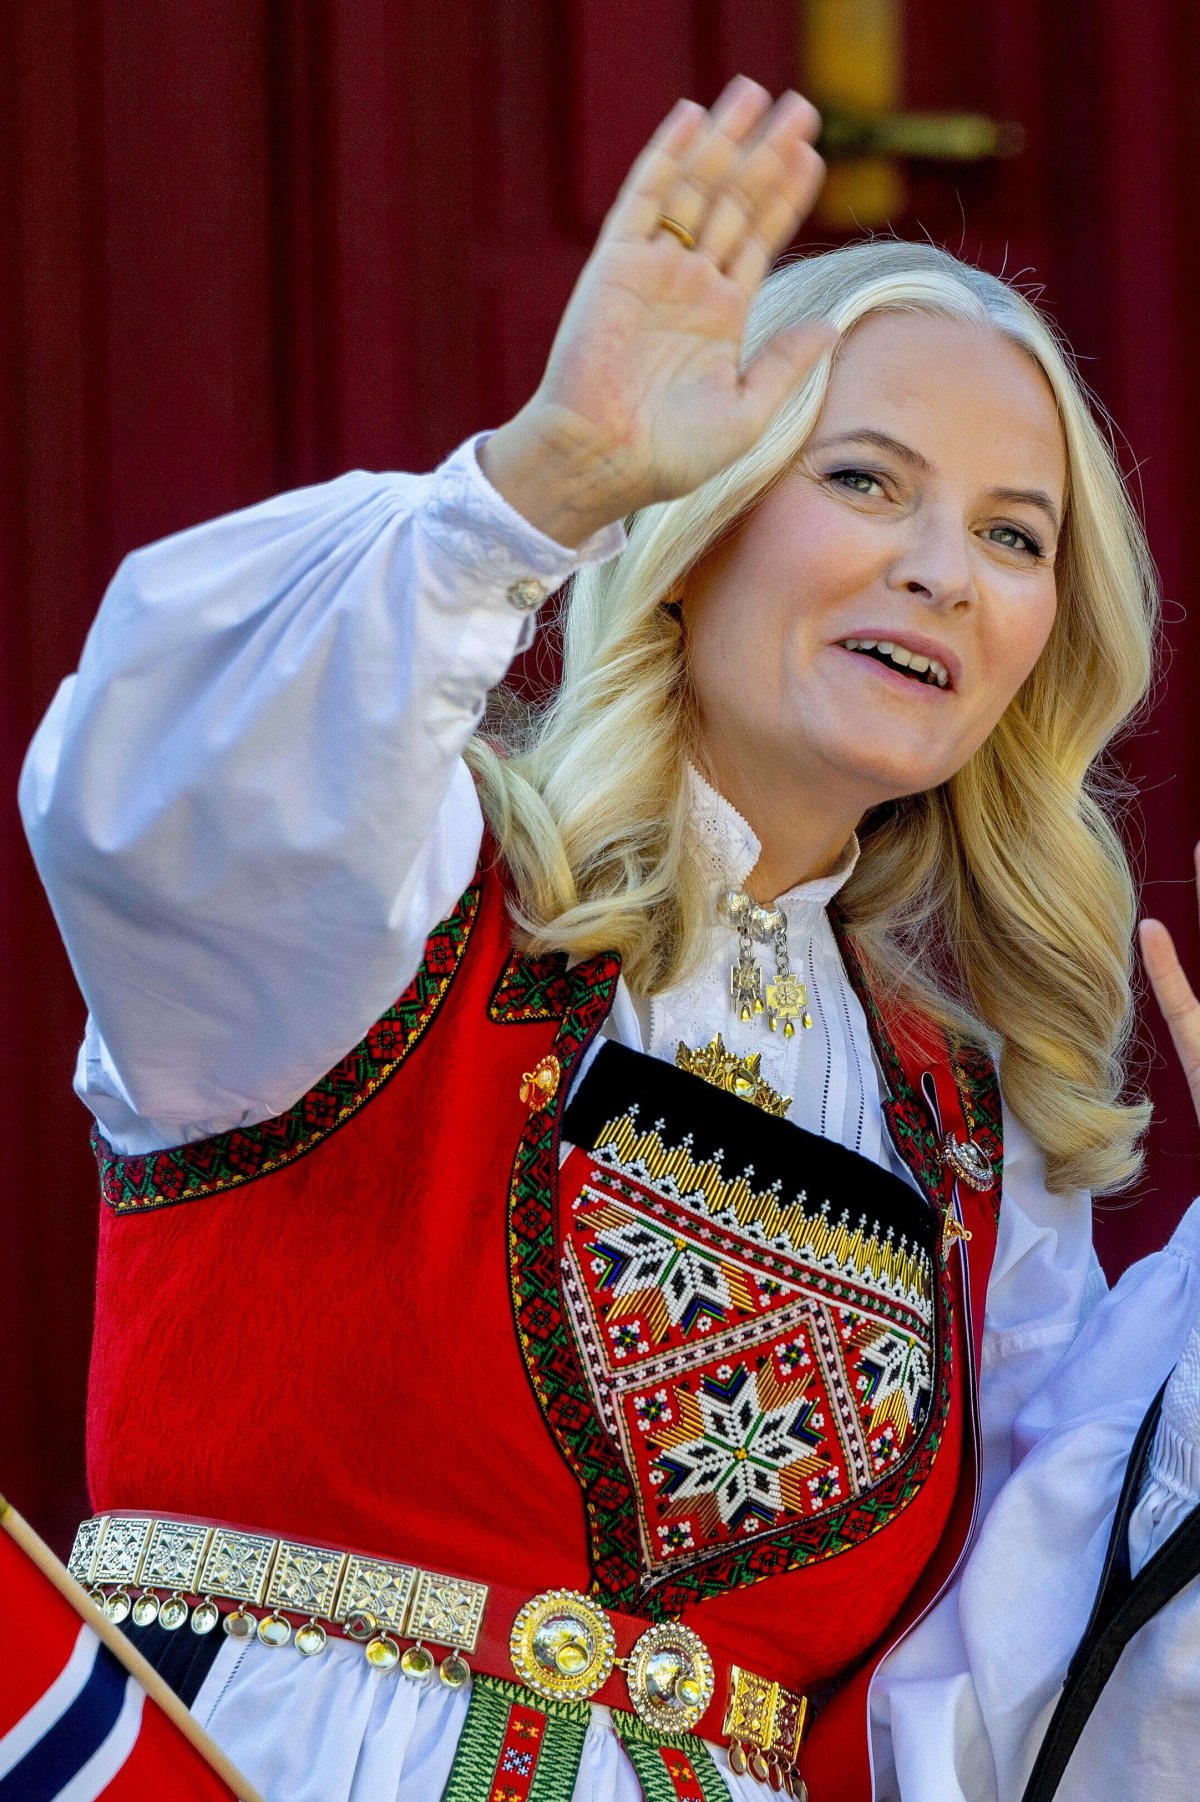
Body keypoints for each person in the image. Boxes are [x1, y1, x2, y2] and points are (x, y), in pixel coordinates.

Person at [17, 73, 1200, 1802]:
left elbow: (1027, 1700)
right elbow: (150, 802)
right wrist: (533, 487)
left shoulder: (973, 1140)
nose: (947, 568)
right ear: (698, 514)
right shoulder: (401, 885)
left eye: (1016, 537)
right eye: (867, 479)